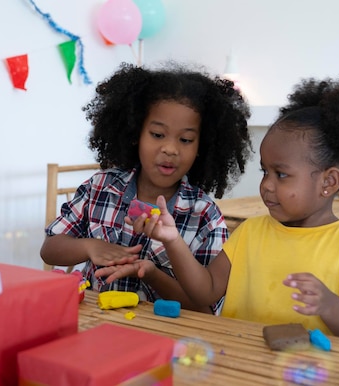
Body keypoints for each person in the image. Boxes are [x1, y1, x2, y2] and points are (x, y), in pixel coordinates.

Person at [100, 74, 339, 342]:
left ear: (328, 181)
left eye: (281, 174)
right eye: (264, 172)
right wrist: (173, 240)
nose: (266, 185)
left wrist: (331, 306)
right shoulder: (250, 232)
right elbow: (204, 291)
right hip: (238, 365)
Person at [40, 62, 252, 313]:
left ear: (201, 149)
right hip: (96, 327)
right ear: (135, 134)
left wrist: (151, 274)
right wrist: (88, 246)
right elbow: (49, 250)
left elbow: (205, 310)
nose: (170, 149)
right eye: (158, 134)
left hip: (164, 339)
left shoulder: (205, 215)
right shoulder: (100, 187)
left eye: (185, 140)